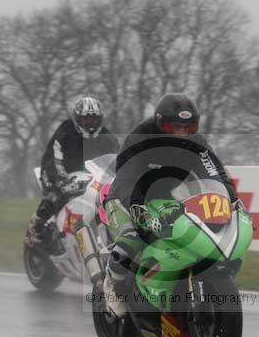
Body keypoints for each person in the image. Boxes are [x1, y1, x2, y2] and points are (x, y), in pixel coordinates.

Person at [102, 93, 243, 317]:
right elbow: (127, 176)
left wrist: (233, 200)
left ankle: (172, 287)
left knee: (189, 233)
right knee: (131, 237)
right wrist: (137, 206)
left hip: (164, 198)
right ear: (160, 123)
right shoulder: (140, 137)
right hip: (124, 197)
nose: (181, 132)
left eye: (188, 126)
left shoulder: (197, 143)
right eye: (174, 126)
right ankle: (113, 288)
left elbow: (216, 173)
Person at [27, 96, 119, 252]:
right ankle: (37, 226)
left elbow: (117, 161)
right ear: (77, 119)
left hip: (93, 176)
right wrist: (61, 179)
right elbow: (54, 157)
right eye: (86, 120)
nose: (90, 124)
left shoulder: (108, 138)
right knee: (55, 196)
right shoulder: (65, 132)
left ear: (100, 119)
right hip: (61, 171)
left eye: (94, 119)